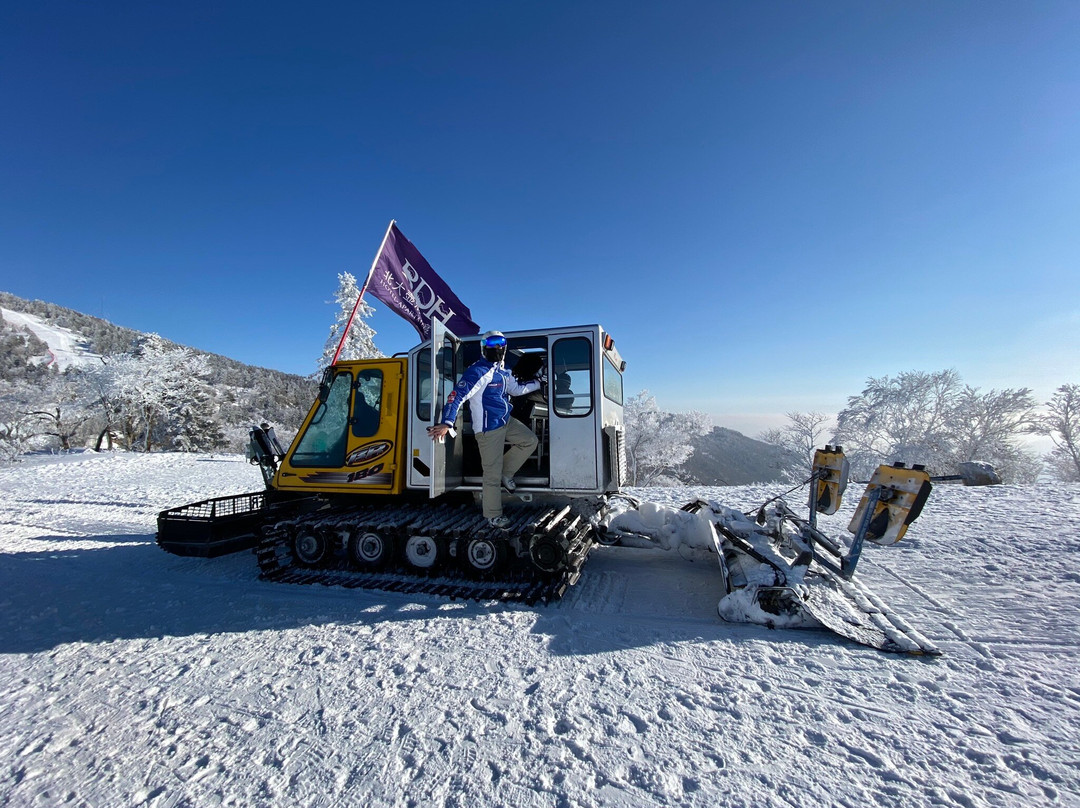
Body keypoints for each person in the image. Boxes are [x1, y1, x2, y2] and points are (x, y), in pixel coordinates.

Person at [427, 331, 543, 529]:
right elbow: (457, 395)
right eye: (490, 343)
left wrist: (538, 383)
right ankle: (493, 515)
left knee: (529, 440)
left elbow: (516, 389)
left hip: (505, 420)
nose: (495, 347)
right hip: (488, 428)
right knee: (491, 473)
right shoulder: (478, 371)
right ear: (483, 347)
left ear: (504, 348)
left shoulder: (503, 371)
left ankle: (506, 474)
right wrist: (447, 422)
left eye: (499, 343)